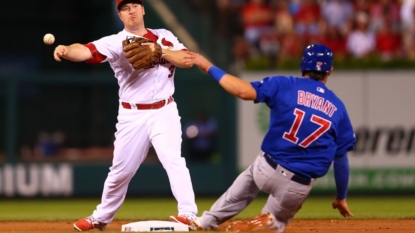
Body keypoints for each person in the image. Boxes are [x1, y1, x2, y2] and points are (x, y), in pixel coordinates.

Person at [176, 44, 356, 232]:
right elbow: (341, 158)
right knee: (277, 222)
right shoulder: (338, 108)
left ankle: (208, 220)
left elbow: (242, 91)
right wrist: (341, 197)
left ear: (303, 65)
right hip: (297, 184)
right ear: (330, 70)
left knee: (251, 176)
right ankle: (268, 221)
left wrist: (208, 66)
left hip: (266, 168)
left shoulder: (284, 84)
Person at [53, 0, 198, 231]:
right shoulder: (115, 42)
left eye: (134, 6)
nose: (131, 11)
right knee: (120, 171)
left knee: (173, 160)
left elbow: (187, 60)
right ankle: (100, 218)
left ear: (143, 9)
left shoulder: (164, 36)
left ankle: (189, 214)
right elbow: (86, 51)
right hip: (133, 114)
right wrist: (67, 50)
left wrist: (159, 50)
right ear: (120, 15)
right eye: (125, 8)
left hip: (164, 110)